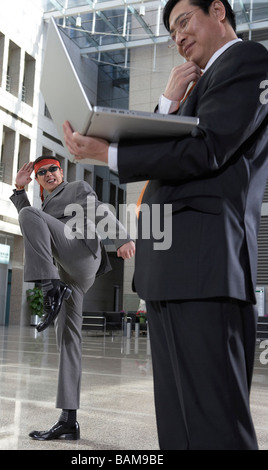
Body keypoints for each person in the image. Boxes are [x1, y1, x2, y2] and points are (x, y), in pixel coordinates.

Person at [62, 0, 268, 450]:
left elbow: (207, 149)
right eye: (172, 32)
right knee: (177, 421)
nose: (178, 37)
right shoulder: (197, 85)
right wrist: (169, 102)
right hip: (174, 270)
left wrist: (104, 154)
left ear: (218, 11)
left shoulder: (248, 61)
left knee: (215, 422)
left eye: (183, 22)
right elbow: (172, 153)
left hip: (206, 266)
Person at [10, 156, 135, 441]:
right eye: (41, 173)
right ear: (38, 182)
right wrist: (19, 190)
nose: (49, 174)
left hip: (81, 252)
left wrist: (121, 237)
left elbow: (98, 209)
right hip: (68, 275)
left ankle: (49, 288)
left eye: (52, 169)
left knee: (28, 216)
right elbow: (33, 225)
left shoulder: (76, 188)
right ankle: (69, 419)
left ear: (61, 171)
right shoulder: (44, 206)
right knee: (67, 339)